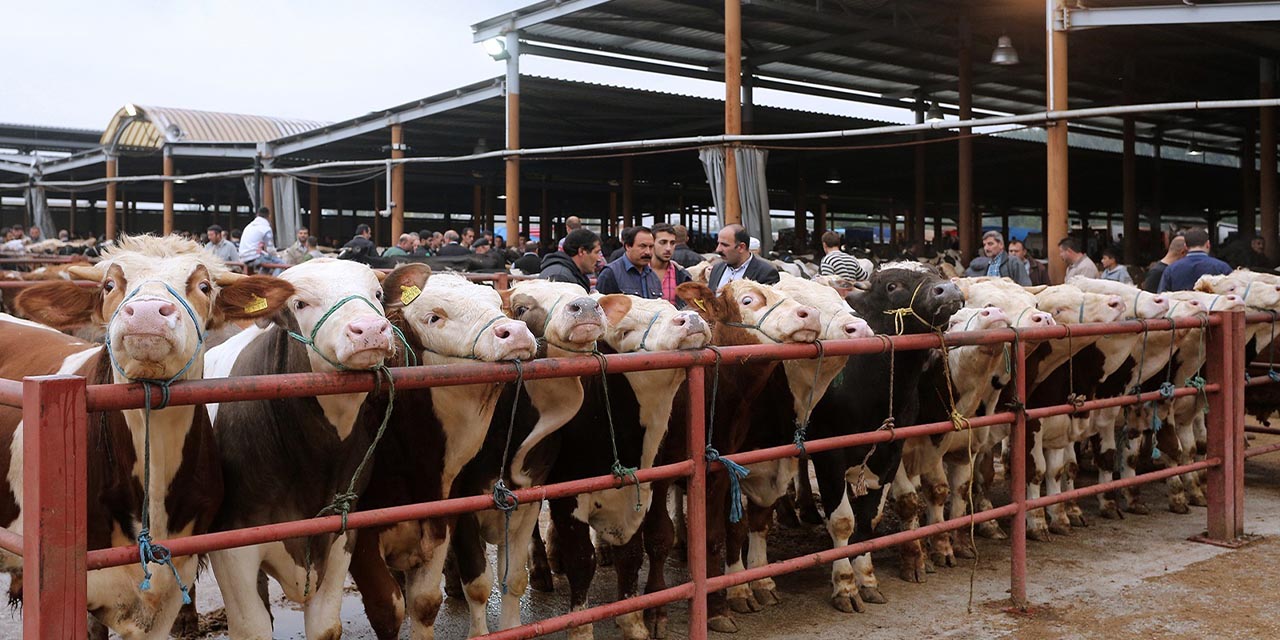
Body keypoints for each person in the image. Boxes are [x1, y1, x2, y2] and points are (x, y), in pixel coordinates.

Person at [1158, 227, 1232, 293]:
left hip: (1182, 308)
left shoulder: (1171, 269)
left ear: (1185, 246)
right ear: (1208, 244)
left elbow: (1162, 296)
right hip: (1213, 308)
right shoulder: (1223, 268)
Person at [708, 224, 780, 290]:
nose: (718, 249)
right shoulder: (716, 269)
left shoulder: (766, 273)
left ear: (741, 247)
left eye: (725, 245)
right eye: (718, 243)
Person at [597, 226, 661, 298]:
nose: (648, 252)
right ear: (628, 246)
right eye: (642, 246)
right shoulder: (610, 274)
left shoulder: (653, 277)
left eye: (651, 247)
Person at [540, 228, 601, 293]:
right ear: (581, 251)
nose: (599, 259)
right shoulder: (560, 277)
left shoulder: (568, 274)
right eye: (596, 252)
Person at [650, 223, 692, 305]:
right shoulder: (637, 272)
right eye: (663, 242)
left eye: (672, 243)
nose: (668, 248)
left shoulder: (682, 275)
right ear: (652, 243)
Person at [238, 207, 277, 271]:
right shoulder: (266, 228)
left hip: (243, 257)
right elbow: (270, 249)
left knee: (267, 262)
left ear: (257, 215)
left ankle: (262, 278)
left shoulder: (249, 226)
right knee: (279, 263)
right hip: (255, 257)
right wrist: (277, 255)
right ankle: (276, 279)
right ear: (269, 216)